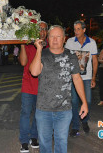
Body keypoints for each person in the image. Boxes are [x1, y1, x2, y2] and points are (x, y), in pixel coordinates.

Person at [29, 25, 88, 153]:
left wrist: (84, 102)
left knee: (61, 142)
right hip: (43, 109)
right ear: (48, 39)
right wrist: (38, 50)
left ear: (64, 39)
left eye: (58, 36)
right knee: (44, 143)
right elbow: (34, 72)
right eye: (52, 36)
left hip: (64, 109)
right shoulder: (42, 54)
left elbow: (77, 79)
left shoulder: (71, 56)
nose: (55, 40)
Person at [19, 21, 48, 153]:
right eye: (39, 29)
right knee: (25, 113)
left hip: (43, 87)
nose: (42, 32)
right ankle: (24, 141)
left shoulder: (49, 47)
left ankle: (34, 137)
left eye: (44, 29)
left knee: (38, 114)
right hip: (28, 85)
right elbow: (23, 62)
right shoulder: (29, 46)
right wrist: (22, 44)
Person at [65, 20, 98, 137]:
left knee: (87, 101)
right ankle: (75, 126)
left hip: (87, 77)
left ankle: (84, 121)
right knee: (74, 101)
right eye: (75, 29)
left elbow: (95, 61)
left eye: (79, 29)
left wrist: (93, 78)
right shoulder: (70, 42)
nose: (76, 31)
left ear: (84, 30)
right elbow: (65, 57)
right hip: (73, 77)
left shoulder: (92, 43)